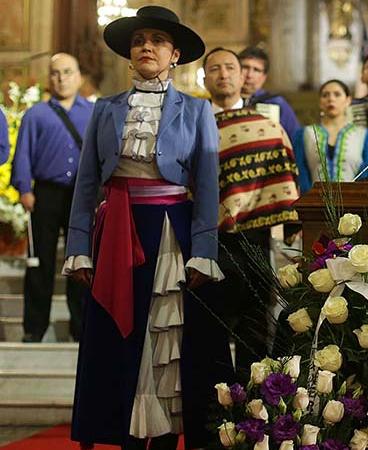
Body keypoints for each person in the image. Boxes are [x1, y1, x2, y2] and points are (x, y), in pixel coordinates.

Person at [62, 6, 232, 449]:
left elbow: (208, 189)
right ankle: (122, 431)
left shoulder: (196, 112)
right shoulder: (105, 108)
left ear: (174, 54)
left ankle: (163, 431)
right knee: (120, 338)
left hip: (170, 229)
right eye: (140, 41)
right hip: (116, 228)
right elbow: (85, 185)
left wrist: (205, 251)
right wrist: (78, 245)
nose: (146, 47)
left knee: (166, 334)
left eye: (157, 41)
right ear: (130, 54)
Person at [203, 46, 300, 369]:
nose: (224, 74)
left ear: (243, 75)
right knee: (211, 326)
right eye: (215, 69)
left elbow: (286, 173)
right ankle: (214, 407)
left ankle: (251, 407)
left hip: (254, 239)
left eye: (230, 67)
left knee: (255, 323)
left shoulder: (266, 123)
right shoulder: (194, 123)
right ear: (205, 78)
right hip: (207, 239)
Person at [11, 53, 91, 343]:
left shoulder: (93, 113)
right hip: (45, 194)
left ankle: (81, 328)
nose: (62, 78)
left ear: (79, 76)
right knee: (39, 264)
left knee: (81, 263)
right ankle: (34, 328)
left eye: (68, 72)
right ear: (50, 78)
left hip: (82, 197)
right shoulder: (36, 114)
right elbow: (23, 154)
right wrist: (24, 189)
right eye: (56, 73)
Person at [292, 79, 368, 193]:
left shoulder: (364, 136)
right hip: (313, 205)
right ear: (320, 102)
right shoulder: (305, 134)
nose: (331, 99)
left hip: (354, 205)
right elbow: (301, 173)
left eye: (337, 94)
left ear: (348, 100)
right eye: (325, 95)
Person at [238, 46, 301, 139]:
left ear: (264, 77)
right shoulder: (225, 100)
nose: (249, 75)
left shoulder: (276, 103)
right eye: (245, 67)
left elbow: (296, 138)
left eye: (256, 70)